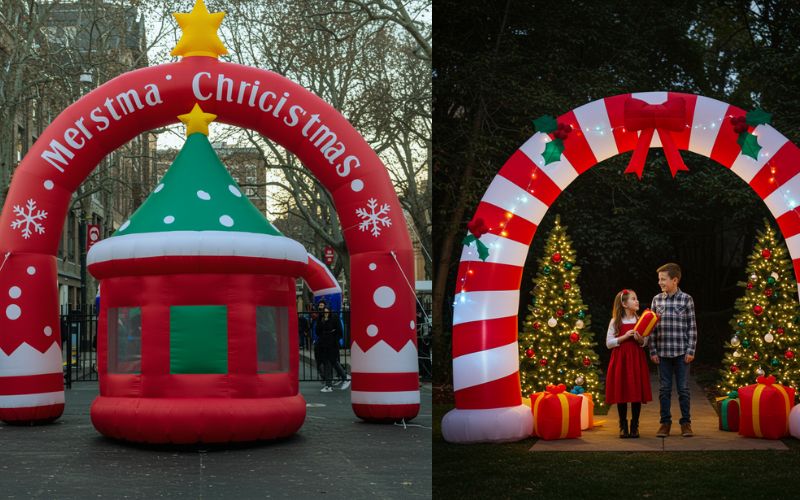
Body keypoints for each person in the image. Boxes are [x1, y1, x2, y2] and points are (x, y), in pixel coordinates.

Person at [649, 263, 697, 438]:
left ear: (674, 280)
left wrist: (690, 350)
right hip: (662, 353)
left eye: (663, 279)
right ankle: (665, 423)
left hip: (681, 353)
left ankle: (686, 423)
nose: (659, 282)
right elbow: (651, 328)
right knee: (664, 390)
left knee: (683, 389)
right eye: (659, 279)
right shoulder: (657, 300)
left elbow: (692, 327)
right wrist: (652, 351)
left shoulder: (686, 299)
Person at [605, 289, 652, 438]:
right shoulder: (615, 321)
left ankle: (635, 425)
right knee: (622, 390)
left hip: (636, 359)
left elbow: (645, 341)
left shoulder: (641, 320)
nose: (637, 301)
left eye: (636, 298)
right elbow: (608, 343)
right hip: (621, 360)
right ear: (624, 304)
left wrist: (640, 340)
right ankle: (623, 424)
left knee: (635, 391)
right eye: (633, 299)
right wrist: (624, 337)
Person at [317, 303, 350, 392]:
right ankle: (342, 378)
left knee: (331, 362)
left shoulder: (334, 318)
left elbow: (339, 332)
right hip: (324, 343)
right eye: (325, 312)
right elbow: (318, 330)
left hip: (332, 344)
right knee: (331, 362)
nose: (326, 314)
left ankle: (330, 384)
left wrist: (334, 338)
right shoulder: (321, 318)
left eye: (327, 312)